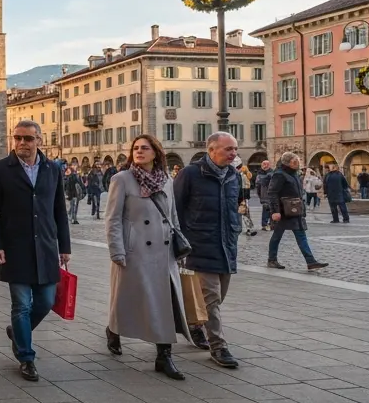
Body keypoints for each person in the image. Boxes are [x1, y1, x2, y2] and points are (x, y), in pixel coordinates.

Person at [0, 119, 71, 382]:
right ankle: (26, 357)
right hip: (15, 247)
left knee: (45, 302)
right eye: (18, 138)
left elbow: (59, 210)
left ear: (39, 141)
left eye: (28, 139)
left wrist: (64, 246)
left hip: (45, 245)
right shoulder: (0, 169)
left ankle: (18, 331)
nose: (22, 143)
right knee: (21, 305)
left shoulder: (52, 169)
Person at [105, 134, 191, 380]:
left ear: (156, 152)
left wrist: (179, 247)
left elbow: (172, 217)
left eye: (145, 148)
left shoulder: (166, 180)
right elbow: (112, 219)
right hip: (135, 250)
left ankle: (164, 356)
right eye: (135, 148)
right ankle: (113, 329)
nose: (139, 151)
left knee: (166, 302)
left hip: (163, 252)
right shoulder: (121, 179)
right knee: (128, 299)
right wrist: (117, 250)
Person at [173, 132, 243, 368]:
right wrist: (180, 243)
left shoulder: (234, 176)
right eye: (228, 149)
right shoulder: (190, 174)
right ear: (211, 150)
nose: (234, 153)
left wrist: (236, 230)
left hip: (226, 245)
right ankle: (219, 346)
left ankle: (194, 325)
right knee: (211, 299)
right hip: (199, 245)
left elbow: (235, 206)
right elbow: (177, 210)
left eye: (235, 149)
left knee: (218, 297)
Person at [266, 153, 329, 271]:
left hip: (295, 209)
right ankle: (272, 259)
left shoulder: (294, 174)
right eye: (294, 162)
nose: (297, 163)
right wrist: (275, 211)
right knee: (277, 236)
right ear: (287, 163)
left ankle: (310, 261)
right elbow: (272, 192)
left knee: (300, 235)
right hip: (283, 210)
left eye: (297, 161)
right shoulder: (279, 174)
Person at [252, 160, 273, 231]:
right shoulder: (259, 174)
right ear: (261, 165)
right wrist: (260, 195)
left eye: (267, 164)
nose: (265, 165)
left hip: (271, 194)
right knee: (266, 209)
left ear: (269, 165)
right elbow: (257, 185)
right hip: (264, 194)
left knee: (272, 209)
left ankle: (271, 223)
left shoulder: (273, 173)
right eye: (264, 164)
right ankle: (264, 224)